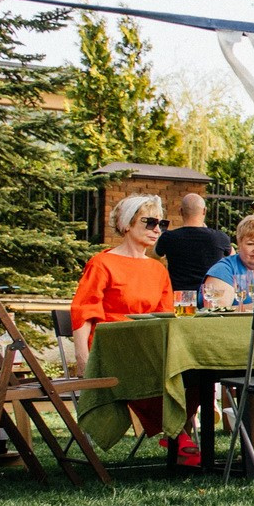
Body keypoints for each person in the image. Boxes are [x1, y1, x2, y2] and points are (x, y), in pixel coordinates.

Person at [70, 194, 193, 461]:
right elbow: (83, 312)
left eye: (162, 223)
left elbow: (165, 316)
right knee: (162, 371)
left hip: (147, 347)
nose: (157, 230)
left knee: (193, 370)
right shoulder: (102, 263)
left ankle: (180, 431)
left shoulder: (158, 269)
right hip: (111, 350)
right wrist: (82, 358)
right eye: (149, 222)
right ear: (127, 225)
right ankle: (178, 435)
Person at [153, 192, 231, 295]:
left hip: (179, 297)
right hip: (208, 297)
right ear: (204, 211)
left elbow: (155, 255)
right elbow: (231, 257)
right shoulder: (220, 237)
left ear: (180, 211)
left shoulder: (169, 237)